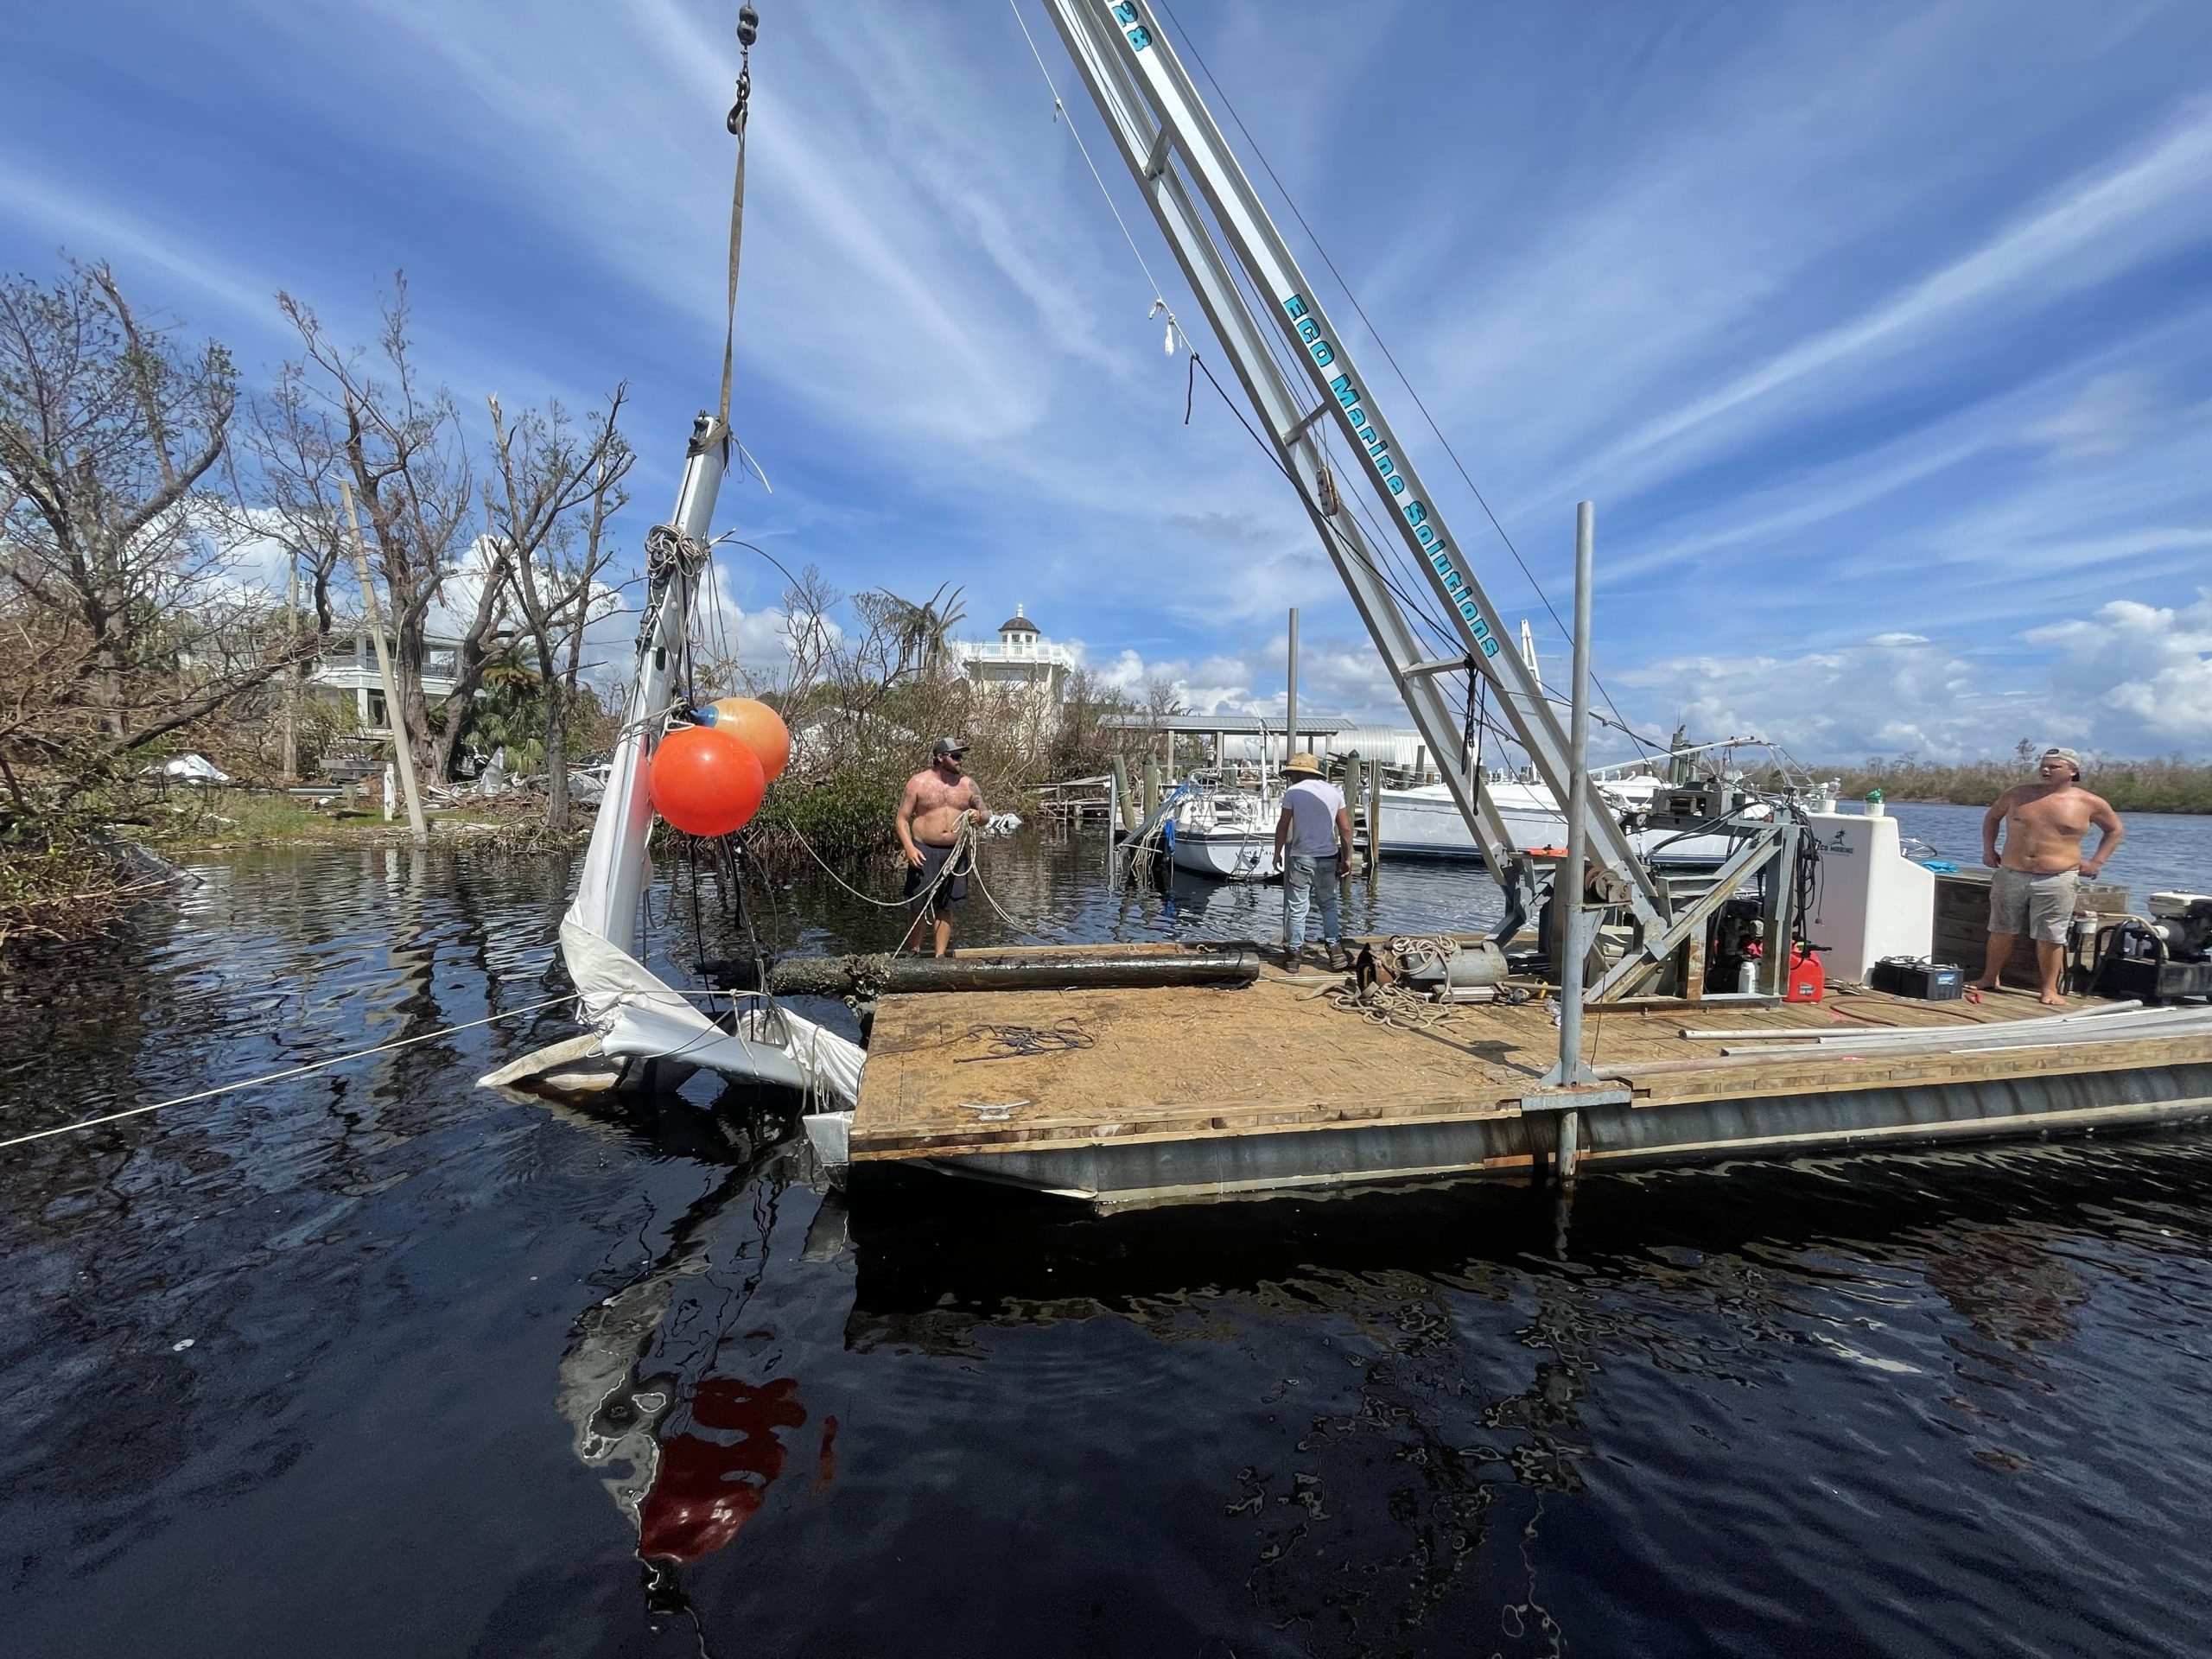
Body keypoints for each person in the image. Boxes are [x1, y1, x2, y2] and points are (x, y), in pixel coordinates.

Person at [1974, 747, 2124, 1007]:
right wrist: (1989, 849)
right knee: (2000, 928)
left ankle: (2049, 989)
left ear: (2072, 771)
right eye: (2043, 765)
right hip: (2011, 872)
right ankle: (1989, 977)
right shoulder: (2018, 794)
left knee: (2051, 935)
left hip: (2057, 877)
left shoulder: (2090, 802)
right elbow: (1992, 818)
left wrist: (2097, 861)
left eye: (2054, 767)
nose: (2045, 770)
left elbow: (2114, 830)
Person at [896, 738, 988, 958]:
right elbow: (901, 819)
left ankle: (940, 957)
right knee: (917, 904)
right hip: (924, 850)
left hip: (955, 853)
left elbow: (986, 814)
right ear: (940, 757)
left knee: (946, 906)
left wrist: (979, 816)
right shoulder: (917, 783)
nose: (960, 760)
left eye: (961, 756)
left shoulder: (968, 785)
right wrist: (909, 848)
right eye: (955, 756)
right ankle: (913, 951)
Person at [1272, 753, 1353, 970]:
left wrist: (1277, 852)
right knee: (1328, 904)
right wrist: (1347, 858)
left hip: (1301, 856)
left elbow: (1283, 825)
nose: (1290, 777)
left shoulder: (1293, 792)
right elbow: (1345, 829)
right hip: (1327, 857)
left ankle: (1294, 957)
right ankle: (1335, 951)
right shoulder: (1335, 792)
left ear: (1299, 773)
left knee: (1298, 908)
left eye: (1292, 773)